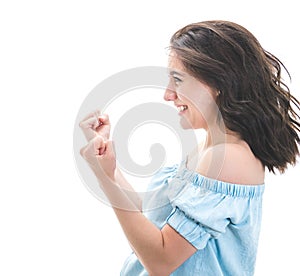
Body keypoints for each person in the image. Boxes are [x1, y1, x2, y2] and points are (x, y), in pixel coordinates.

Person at [79, 20, 300, 275]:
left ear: (218, 84)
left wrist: (102, 178)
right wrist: (107, 167)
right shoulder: (210, 148)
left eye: (178, 80)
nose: (167, 94)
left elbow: (160, 261)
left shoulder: (228, 157)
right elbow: (148, 229)